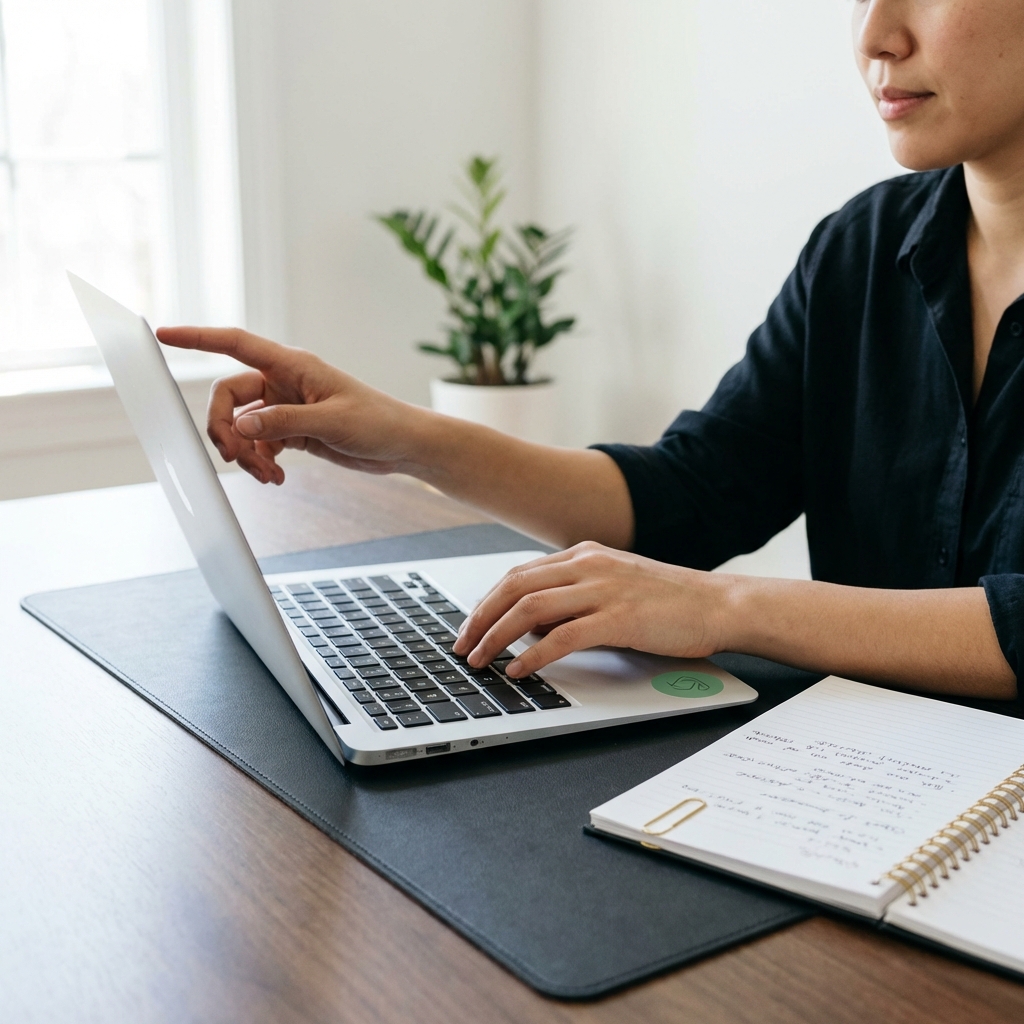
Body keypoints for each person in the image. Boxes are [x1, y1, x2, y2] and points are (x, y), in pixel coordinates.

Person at [160, 0, 1024, 703]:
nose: (877, 36)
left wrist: (724, 607)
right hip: (866, 779)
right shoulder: (862, 248)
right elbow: (688, 496)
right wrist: (404, 438)